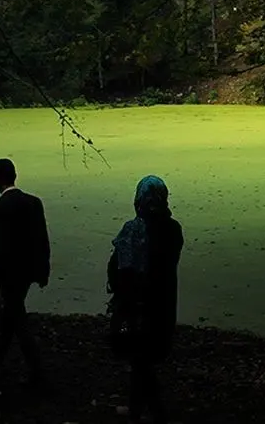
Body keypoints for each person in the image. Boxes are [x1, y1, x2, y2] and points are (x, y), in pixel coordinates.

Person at [0, 158, 50, 399]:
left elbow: (2, 248)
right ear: (15, 174)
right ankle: (5, 376)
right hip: (28, 273)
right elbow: (42, 241)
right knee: (13, 322)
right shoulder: (35, 203)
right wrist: (43, 271)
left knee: (13, 325)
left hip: (9, 276)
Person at [108, 176, 184, 424]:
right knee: (144, 361)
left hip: (138, 307)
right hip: (163, 306)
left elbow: (119, 270)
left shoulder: (133, 230)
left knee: (140, 362)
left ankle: (149, 413)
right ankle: (136, 409)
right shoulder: (174, 230)